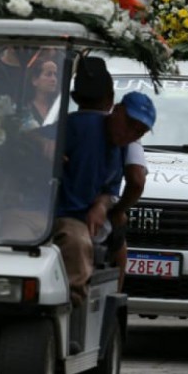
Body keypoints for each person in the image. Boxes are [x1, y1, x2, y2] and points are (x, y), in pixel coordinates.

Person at [55, 80, 155, 311]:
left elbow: (116, 187)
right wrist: (45, 147)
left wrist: (103, 207)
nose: (131, 133)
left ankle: (70, 313)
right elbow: (32, 138)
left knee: (77, 242)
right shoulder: (82, 125)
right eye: (129, 124)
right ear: (115, 110)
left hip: (73, 219)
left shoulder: (122, 145)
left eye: (139, 131)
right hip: (40, 210)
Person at [19, 55, 60, 128]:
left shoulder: (58, 107)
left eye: (55, 74)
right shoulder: (24, 108)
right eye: (48, 74)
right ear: (35, 80)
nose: (54, 79)